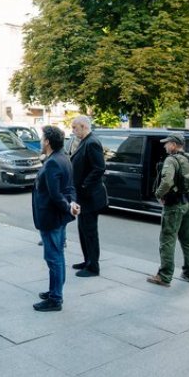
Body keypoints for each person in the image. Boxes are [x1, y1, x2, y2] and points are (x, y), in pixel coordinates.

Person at [32, 125, 78, 312]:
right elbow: (69, 188)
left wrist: (68, 205)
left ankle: (55, 298)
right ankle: (54, 291)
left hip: (51, 216)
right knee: (57, 255)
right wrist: (72, 204)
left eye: (43, 139)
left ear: (48, 142)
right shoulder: (63, 158)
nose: (41, 142)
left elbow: (55, 193)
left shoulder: (52, 162)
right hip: (58, 216)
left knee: (53, 257)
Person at [147, 132, 189, 287]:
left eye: (167, 143)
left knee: (167, 240)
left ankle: (164, 276)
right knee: (188, 239)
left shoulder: (171, 160)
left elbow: (167, 181)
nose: (165, 146)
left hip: (174, 206)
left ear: (173, 144)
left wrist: (159, 195)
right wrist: (187, 191)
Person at [70, 115, 108, 278]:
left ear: (84, 126)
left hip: (90, 197)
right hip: (83, 197)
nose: (73, 131)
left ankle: (94, 267)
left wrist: (84, 185)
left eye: (74, 127)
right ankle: (87, 260)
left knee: (90, 232)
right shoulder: (85, 141)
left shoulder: (92, 142)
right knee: (83, 230)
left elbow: (99, 168)